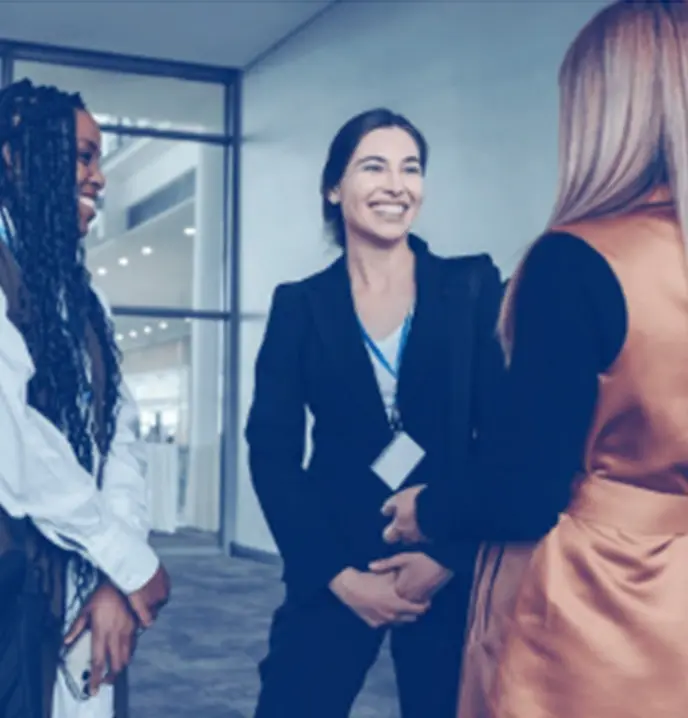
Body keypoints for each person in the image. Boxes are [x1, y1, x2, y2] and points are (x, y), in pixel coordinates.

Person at [380, 2, 688, 717]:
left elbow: (526, 488)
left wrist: (428, 508)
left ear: (602, 109)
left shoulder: (576, 260)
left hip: (596, 603)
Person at [245, 108, 505, 718]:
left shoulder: (470, 286)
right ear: (334, 188)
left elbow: (500, 436)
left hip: (445, 556)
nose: (396, 185)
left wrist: (447, 557)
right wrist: (339, 576)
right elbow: (272, 455)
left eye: (410, 168)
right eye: (374, 167)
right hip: (334, 557)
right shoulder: (300, 305)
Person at [0, 79, 170, 718]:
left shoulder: (84, 296)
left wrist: (112, 576)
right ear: (15, 157)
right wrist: (123, 557)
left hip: (80, 587)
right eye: (82, 156)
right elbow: (11, 441)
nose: (99, 178)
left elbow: (119, 438)